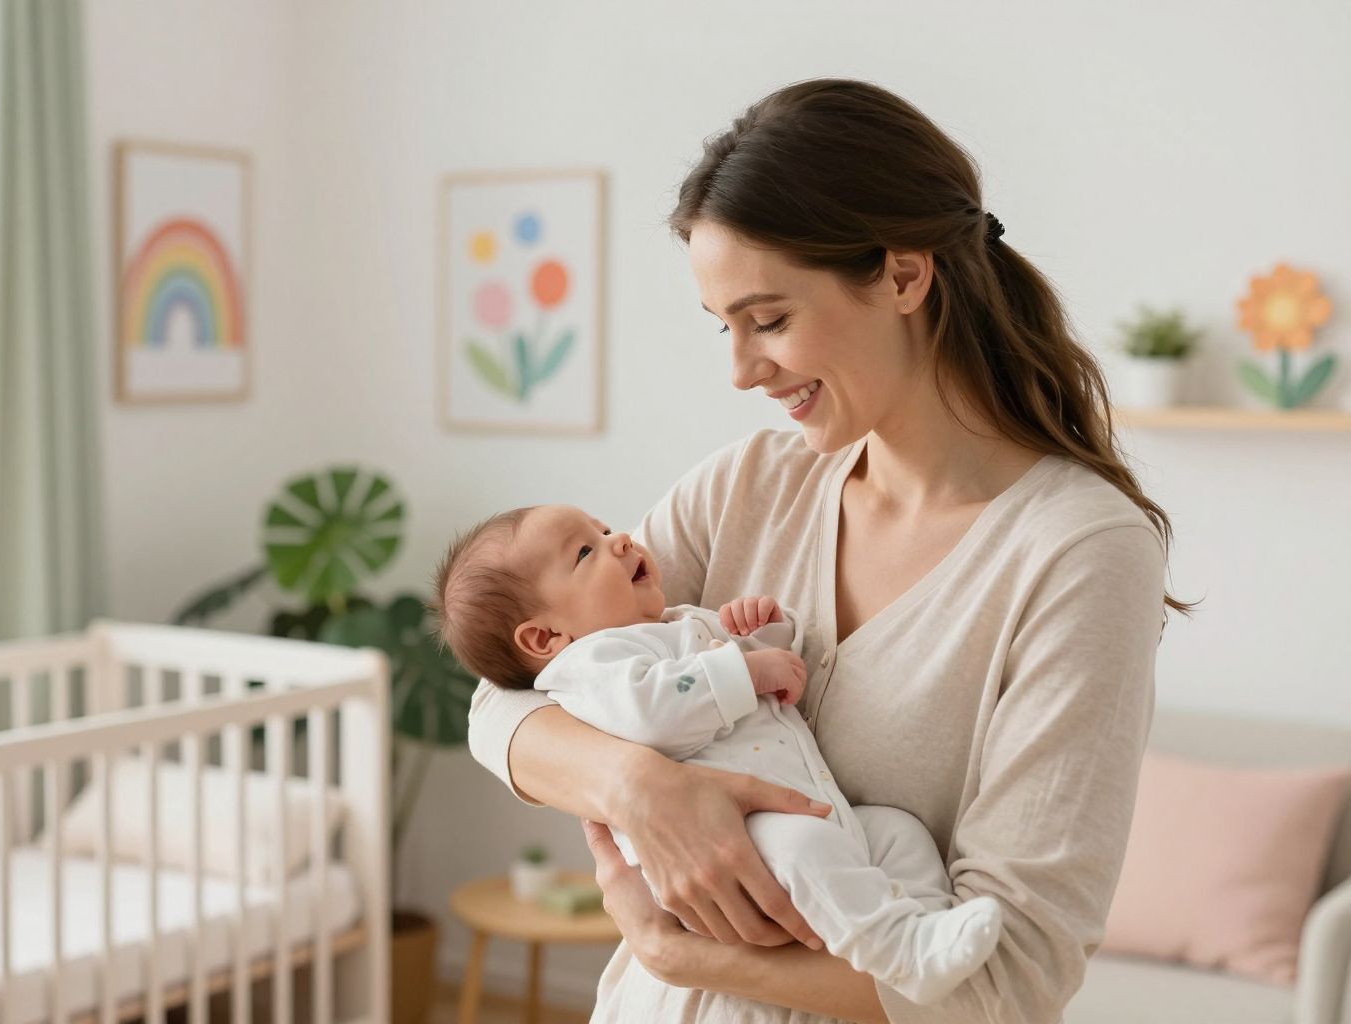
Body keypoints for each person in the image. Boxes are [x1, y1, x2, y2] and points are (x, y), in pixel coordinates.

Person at [466, 78, 1186, 1024]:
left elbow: (1013, 975)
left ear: (902, 276)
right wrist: (637, 787)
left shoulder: (1077, 555)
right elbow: (507, 698)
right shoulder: (746, 488)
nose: (740, 368)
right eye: (723, 327)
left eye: (768, 320)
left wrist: (673, 950)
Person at [433, 503, 1004, 1006]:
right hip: (744, 844)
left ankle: (929, 926)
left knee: (898, 832)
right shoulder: (590, 668)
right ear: (543, 639)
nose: (621, 540)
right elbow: (652, 711)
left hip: (813, 812)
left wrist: (764, 628)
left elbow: (761, 670)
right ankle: (897, 949)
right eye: (586, 551)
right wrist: (745, 669)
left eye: (606, 528)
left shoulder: (674, 623)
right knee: (808, 849)